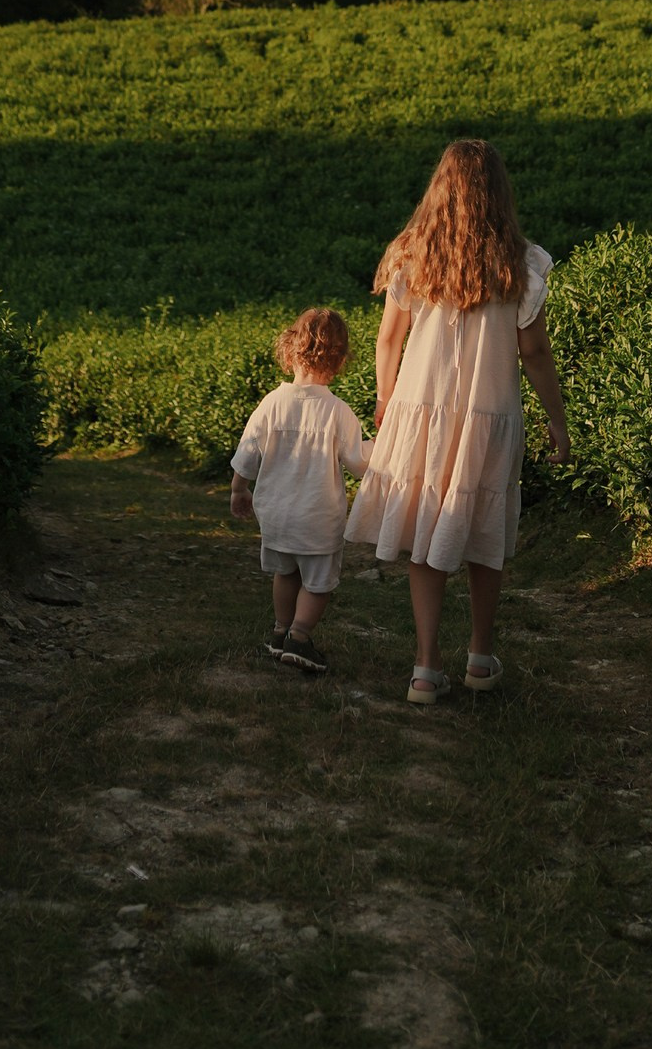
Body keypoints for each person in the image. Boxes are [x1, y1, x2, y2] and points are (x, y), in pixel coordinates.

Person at [342, 135, 569, 704]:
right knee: (483, 534)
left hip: (422, 410)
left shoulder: (413, 254)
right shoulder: (521, 261)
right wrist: (558, 421)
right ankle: (480, 656)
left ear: (439, 190)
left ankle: (424, 667)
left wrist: (385, 400)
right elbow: (535, 352)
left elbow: (389, 339)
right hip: (491, 414)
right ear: (499, 192)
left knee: (425, 534)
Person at [229, 306, 370, 673]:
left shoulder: (271, 404)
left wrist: (238, 490)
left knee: (286, 573)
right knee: (319, 582)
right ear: (339, 361)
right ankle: (300, 637)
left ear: (290, 350)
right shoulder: (338, 412)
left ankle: (279, 632)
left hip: (276, 514)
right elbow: (357, 463)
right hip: (317, 516)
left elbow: (248, 451)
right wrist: (384, 448)